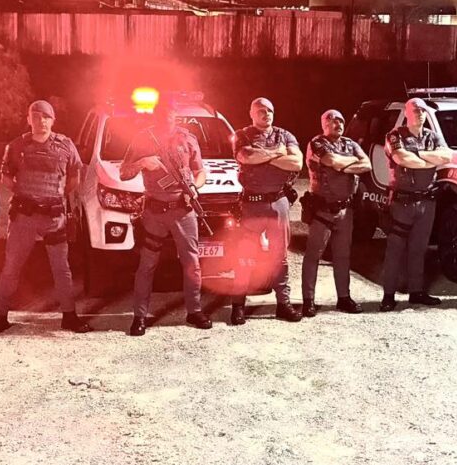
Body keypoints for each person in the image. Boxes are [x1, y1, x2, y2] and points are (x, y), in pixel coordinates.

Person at [0, 100, 90, 334]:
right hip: (25, 217)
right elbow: (6, 178)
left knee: (61, 269)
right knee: (11, 267)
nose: (41, 121)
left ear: (53, 120)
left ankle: (70, 316)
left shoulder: (65, 145)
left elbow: (74, 178)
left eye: (45, 117)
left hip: (53, 218)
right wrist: (28, 196)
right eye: (36, 116)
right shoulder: (16, 146)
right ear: (28, 119)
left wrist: (53, 197)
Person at [120, 96, 213, 336]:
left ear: (176, 114)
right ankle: (140, 316)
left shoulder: (188, 138)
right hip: (155, 213)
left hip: (183, 210)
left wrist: (195, 187)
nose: (166, 115)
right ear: (155, 113)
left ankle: (194, 311)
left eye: (170, 111)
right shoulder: (142, 138)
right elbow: (124, 173)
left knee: (192, 263)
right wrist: (143, 162)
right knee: (147, 265)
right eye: (161, 111)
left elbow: (200, 171)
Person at [230, 97, 303, 325]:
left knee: (280, 256)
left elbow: (297, 163)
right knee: (245, 257)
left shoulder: (285, 135)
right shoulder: (242, 135)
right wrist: (277, 154)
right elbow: (246, 156)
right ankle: (238, 306)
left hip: (278, 202)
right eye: (261, 110)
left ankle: (283, 304)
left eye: (270, 110)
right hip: (252, 205)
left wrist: (263, 156)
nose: (266, 114)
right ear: (252, 114)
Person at [379, 97, 452, 312]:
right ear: (407, 113)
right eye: (415, 110)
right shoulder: (395, 135)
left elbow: (446, 156)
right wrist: (429, 161)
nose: (419, 113)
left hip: (426, 202)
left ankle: (416, 291)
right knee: (395, 250)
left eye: (422, 110)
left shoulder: (433, 136)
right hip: (402, 203)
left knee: (419, 249)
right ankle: (388, 295)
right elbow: (402, 158)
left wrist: (418, 155)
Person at [301, 108, 372, 317]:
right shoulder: (317, 143)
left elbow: (367, 165)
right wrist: (349, 163)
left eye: (341, 120)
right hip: (322, 210)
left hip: (345, 211)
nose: (338, 124)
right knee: (313, 256)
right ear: (323, 124)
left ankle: (344, 298)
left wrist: (343, 166)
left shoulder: (350, 144)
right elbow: (332, 161)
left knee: (343, 256)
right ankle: (308, 300)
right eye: (332, 120)